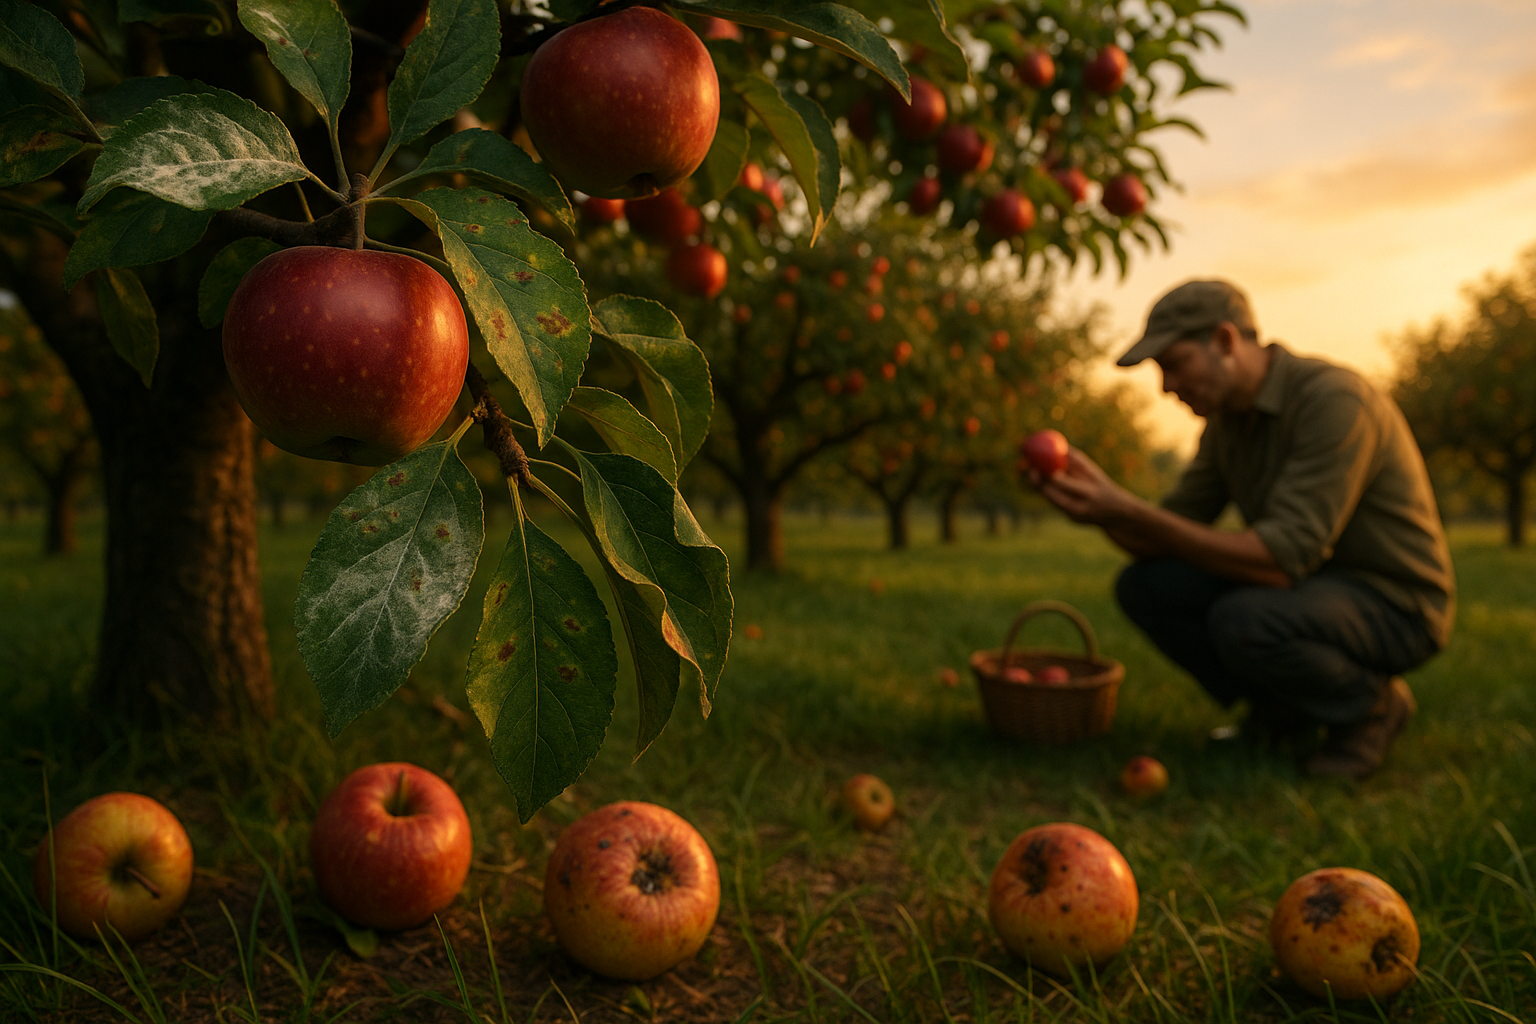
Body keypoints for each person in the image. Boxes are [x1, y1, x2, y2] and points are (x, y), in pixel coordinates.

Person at [1031, 279, 1455, 781]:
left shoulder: (1334, 402)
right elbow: (1164, 536)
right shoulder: (1227, 425)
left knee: (1246, 618)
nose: (1166, 386)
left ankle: (1371, 707)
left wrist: (1128, 509)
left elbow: (1279, 562)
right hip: (1312, 588)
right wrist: (1102, 510)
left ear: (1225, 341)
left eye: (1174, 364)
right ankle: (1283, 710)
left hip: (1395, 604)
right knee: (1148, 586)